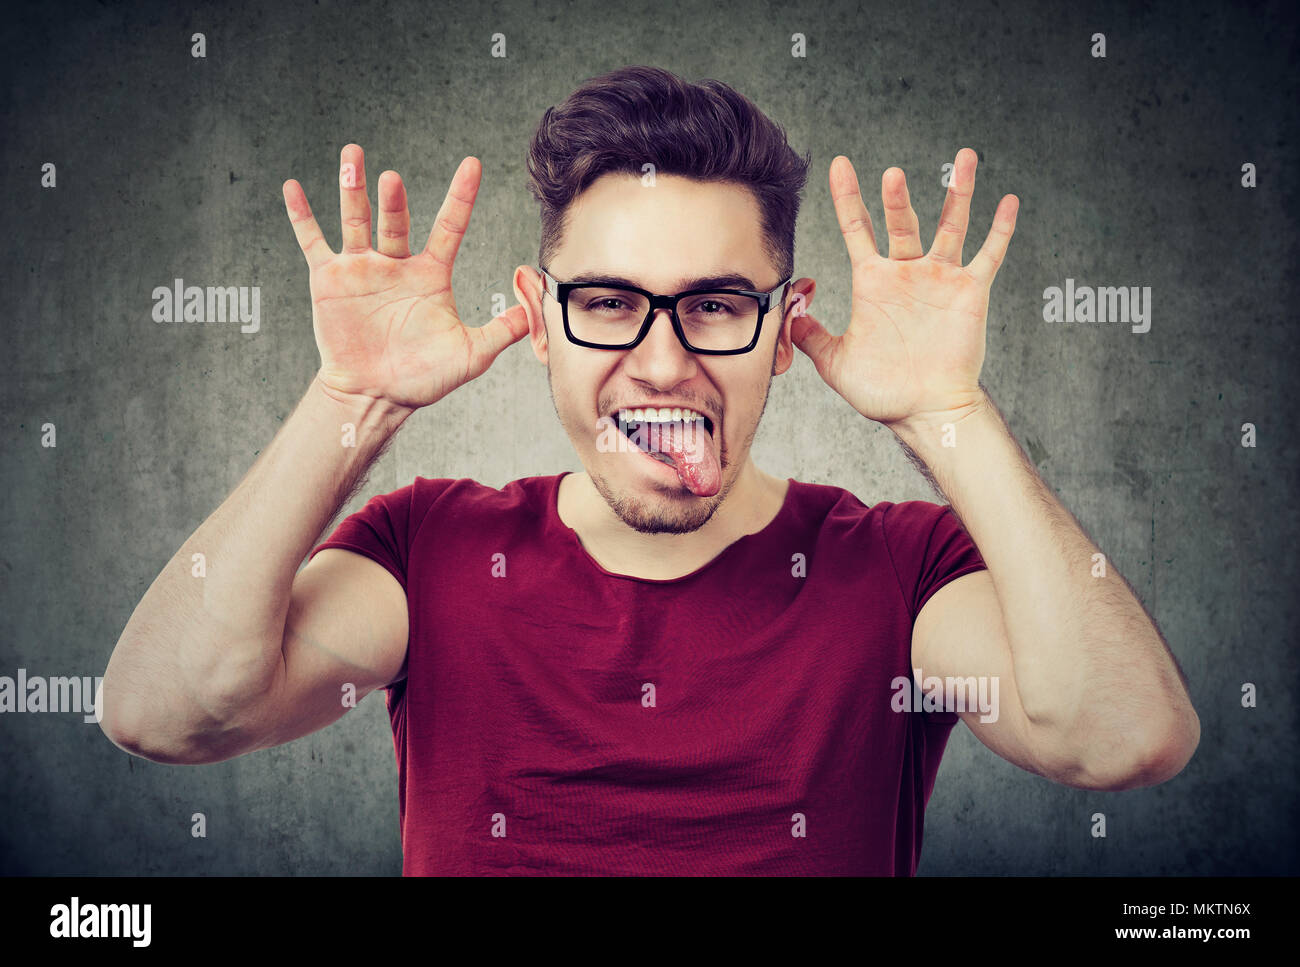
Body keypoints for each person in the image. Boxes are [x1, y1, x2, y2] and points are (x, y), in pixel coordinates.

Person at [100, 65, 1200, 875]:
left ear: (785, 327)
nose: (664, 363)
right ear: (538, 321)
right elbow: (167, 710)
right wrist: (355, 400)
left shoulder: (899, 572)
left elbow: (1120, 736)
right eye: (609, 303)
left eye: (716, 304)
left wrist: (947, 412)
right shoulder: (430, 551)